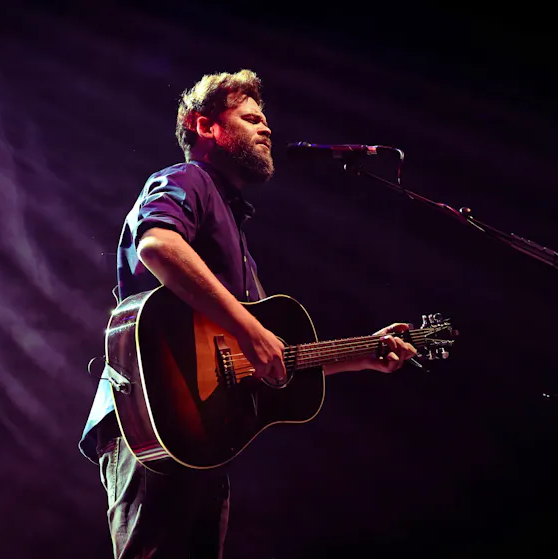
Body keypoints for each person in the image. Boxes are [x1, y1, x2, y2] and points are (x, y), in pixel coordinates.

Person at [79, 69, 418, 559]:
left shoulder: (233, 234)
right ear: (205, 126)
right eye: (251, 118)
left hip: (201, 438)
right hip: (151, 418)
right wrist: (250, 329)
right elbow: (158, 245)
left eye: (265, 120)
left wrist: (363, 355)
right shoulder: (186, 179)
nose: (267, 128)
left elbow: (266, 355)